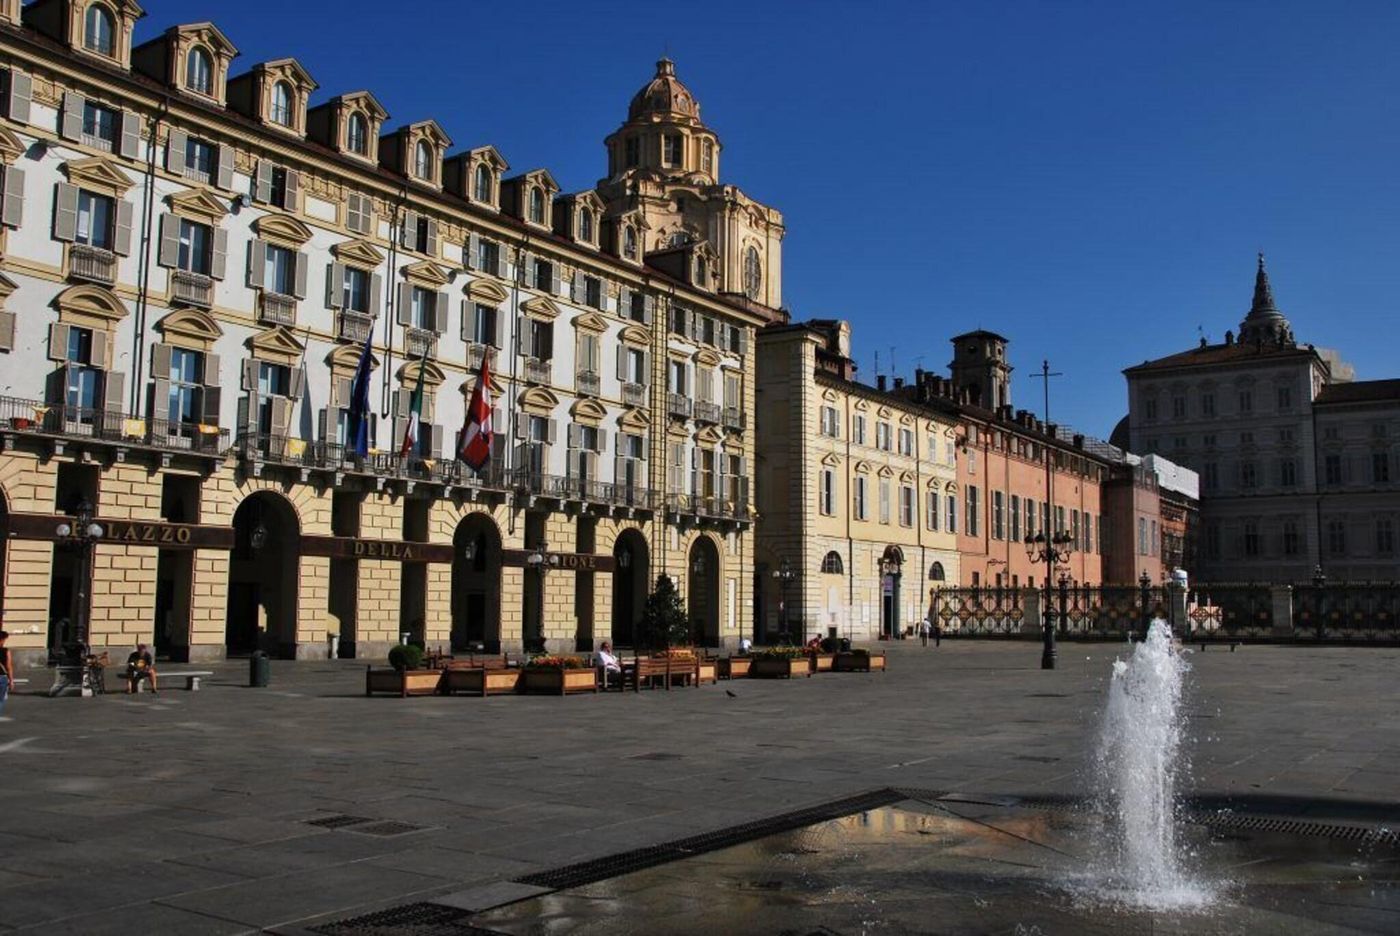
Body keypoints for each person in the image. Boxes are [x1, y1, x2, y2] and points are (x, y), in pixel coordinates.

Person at [0, 629, 12, 716]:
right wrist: (11, 680)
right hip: (1, 677)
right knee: (0, 700)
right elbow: (9, 667)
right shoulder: (6, 651)